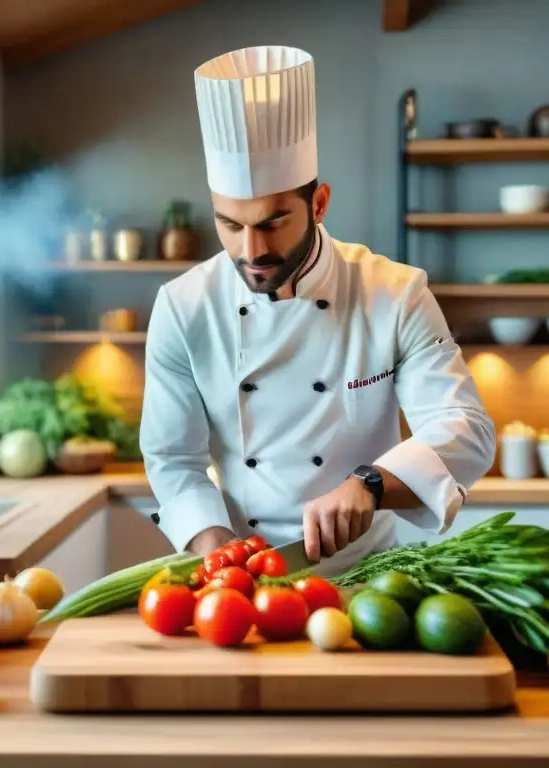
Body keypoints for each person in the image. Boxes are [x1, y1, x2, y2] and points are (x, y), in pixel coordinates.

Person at [139, 45, 495, 574]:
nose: (251, 251)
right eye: (231, 225)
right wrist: (217, 550)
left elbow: (465, 426)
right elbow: (174, 460)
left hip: (370, 572)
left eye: (273, 222)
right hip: (244, 576)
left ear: (320, 203)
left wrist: (370, 483)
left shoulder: (395, 293)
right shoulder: (183, 306)